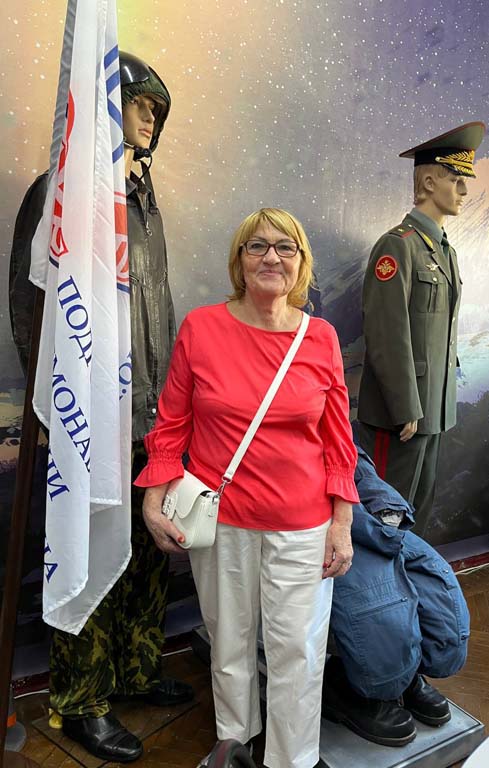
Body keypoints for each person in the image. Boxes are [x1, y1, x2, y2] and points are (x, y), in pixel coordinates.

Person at [9, 51, 194, 763]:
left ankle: (135, 669)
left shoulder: (144, 200)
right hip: (89, 419)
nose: (150, 119)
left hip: (148, 415)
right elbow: (31, 307)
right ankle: (82, 698)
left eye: (156, 111)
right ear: (107, 106)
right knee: (84, 556)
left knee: (144, 554)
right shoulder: (60, 191)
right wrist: (57, 408)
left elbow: (158, 307)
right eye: (140, 104)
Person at [134, 207, 359, 768]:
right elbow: (173, 422)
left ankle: (292, 758)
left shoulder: (321, 337)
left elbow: (338, 439)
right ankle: (234, 741)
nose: (271, 257)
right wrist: (154, 495)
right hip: (222, 520)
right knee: (228, 640)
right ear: (239, 260)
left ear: (301, 261)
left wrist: (342, 521)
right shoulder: (202, 327)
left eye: (285, 247)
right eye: (257, 246)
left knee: (297, 650)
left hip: (302, 524)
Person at [356, 122, 486, 535]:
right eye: (456, 179)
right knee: (386, 516)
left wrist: (433, 405)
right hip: (402, 414)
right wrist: (405, 406)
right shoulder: (398, 245)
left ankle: (408, 575)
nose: (464, 191)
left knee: (417, 514)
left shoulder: (444, 250)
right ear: (429, 182)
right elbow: (386, 332)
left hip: (432, 408)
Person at [323, 441, 470, 746]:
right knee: (375, 602)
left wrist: (382, 507)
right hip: (309, 517)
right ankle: (354, 685)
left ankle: (407, 671)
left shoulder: (329, 413)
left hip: (356, 505)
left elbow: (353, 457)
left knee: (435, 583)